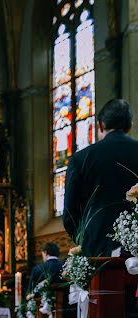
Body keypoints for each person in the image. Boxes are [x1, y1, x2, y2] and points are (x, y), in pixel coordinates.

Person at [63, 99, 138, 256]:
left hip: (97, 250)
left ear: (100, 126)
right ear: (129, 125)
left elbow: (70, 214)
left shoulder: (80, 159)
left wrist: (86, 241)